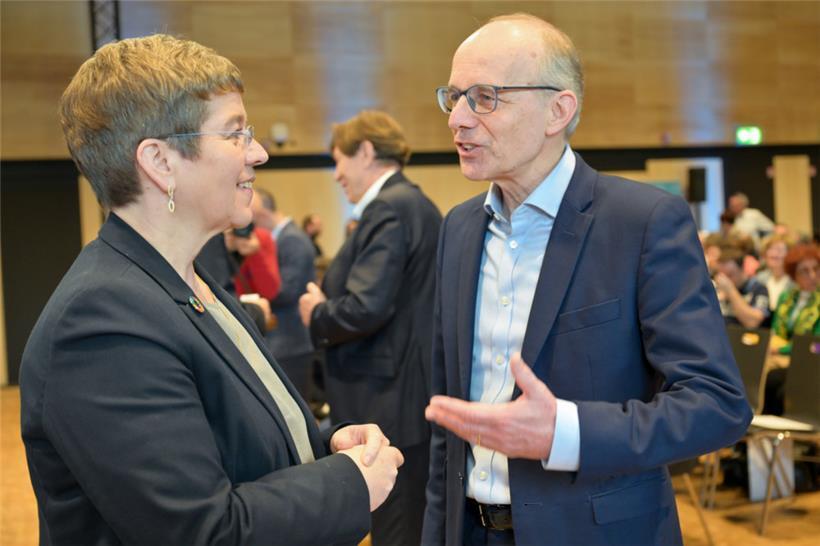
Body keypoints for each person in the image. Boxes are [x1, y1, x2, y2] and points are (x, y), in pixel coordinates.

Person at [19, 34, 403, 546]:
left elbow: (232, 442)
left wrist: (327, 448)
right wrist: (349, 481)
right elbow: (202, 531)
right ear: (159, 162)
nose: (259, 153)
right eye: (235, 134)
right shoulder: (100, 322)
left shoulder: (192, 285)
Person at [422, 14, 751, 546]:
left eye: (484, 97)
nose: (457, 119)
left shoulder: (642, 223)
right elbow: (450, 424)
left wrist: (565, 433)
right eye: (453, 96)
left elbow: (717, 404)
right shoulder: (459, 229)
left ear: (558, 110)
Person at [298, 110, 442, 546]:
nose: (337, 173)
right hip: (403, 392)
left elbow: (367, 305)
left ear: (365, 152)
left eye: (339, 159)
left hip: (388, 397)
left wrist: (317, 312)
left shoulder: (389, 207)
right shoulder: (411, 204)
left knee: (396, 527)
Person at [251, 188, 317, 399]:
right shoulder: (287, 237)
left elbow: (286, 291)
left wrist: (253, 298)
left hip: (290, 341)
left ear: (262, 213)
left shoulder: (292, 239)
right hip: (286, 340)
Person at [764, 243, 820, 414]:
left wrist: (781, 349)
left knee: (774, 380)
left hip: (810, 358)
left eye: (816, 269)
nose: (812, 275)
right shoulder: (787, 297)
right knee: (758, 373)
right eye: (804, 271)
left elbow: (816, 344)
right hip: (782, 356)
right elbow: (776, 331)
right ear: (793, 274)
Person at [714, 246, 770, 328]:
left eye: (730, 274)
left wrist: (730, 291)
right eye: (722, 275)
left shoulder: (759, 289)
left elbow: (752, 322)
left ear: (742, 269)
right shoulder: (717, 288)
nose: (725, 280)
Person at [755, 235, 794, 313]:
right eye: (770, 249)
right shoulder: (759, 278)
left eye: (779, 250)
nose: (774, 254)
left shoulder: (795, 280)